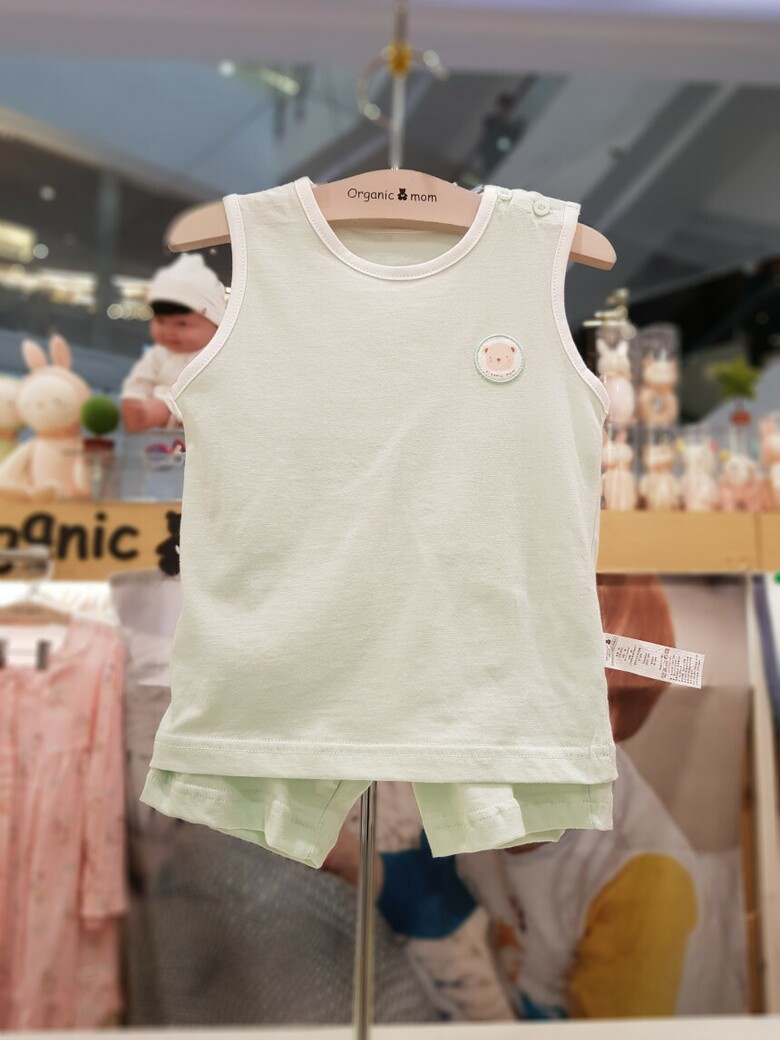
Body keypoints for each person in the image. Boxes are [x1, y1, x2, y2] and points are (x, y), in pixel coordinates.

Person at [322, 577, 746, 1019]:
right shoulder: (482, 784)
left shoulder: (640, 882)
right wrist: (354, 861)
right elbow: (444, 889)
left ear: (606, 728)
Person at [120, 254, 226, 433]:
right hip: (155, 432)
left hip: (194, 431)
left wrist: (164, 409)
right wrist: (134, 399)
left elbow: (205, 399)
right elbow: (141, 379)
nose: (169, 331)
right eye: (161, 321)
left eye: (182, 324)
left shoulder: (214, 359)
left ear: (216, 325)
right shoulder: (159, 353)